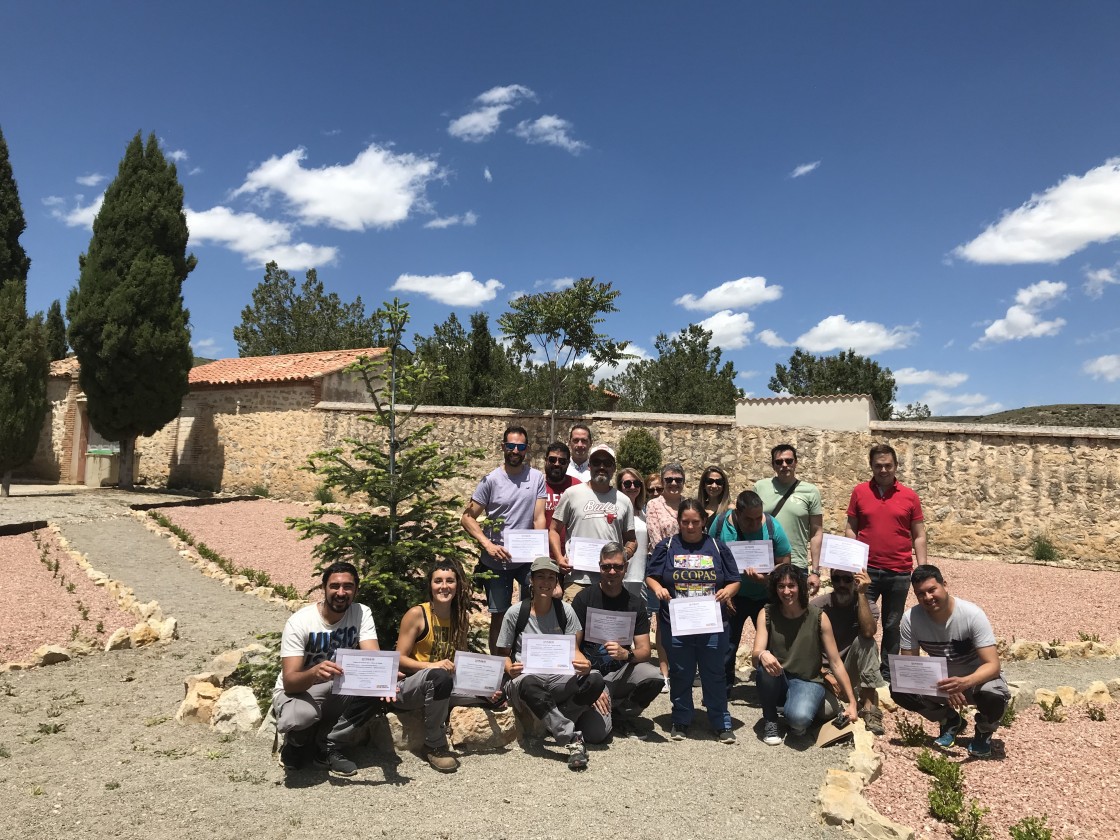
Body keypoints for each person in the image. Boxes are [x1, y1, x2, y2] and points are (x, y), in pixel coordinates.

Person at [272, 562, 385, 776]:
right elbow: (290, 681)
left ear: (356, 589)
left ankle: (328, 747)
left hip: (337, 688)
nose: (341, 593)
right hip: (300, 690)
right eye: (334, 586)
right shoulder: (300, 622)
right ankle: (295, 744)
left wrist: (385, 677)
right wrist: (314, 672)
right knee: (301, 717)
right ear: (323, 588)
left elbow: (373, 657)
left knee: (376, 691)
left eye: (348, 587)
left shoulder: (361, 613)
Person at [495, 556, 603, 771]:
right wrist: (509, 668)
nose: (545, 582)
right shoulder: (516, 613)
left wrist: (585, 664)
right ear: (531, 581)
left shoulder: (565, 611)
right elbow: (503, 654)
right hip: (525, 681)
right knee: (529, 683)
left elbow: (575, 651)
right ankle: (571, 739)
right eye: (540, 577)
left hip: (557, 679)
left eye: (551, 577)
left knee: (594, 679)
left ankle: (555, 718)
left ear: (556, 582)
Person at [646, 499, 740, 743]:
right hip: (677, 623)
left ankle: (721, 721)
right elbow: (652, 576)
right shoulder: (667, 547)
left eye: (695, 522)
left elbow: (734, 579)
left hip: (712, 624)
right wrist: (658, 589)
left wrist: (728, 592)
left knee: (714, 673)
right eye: (685, 522)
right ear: (678, 522)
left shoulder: (717, 547)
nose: (690, 527)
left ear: (703, 522)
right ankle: (681, 719)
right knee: (680, 672)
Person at [890, 565, 1009, 758]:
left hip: (976, 681)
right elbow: (910, 665)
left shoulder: (972, 615)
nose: (928, 597)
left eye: (932, 590)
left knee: (995, 696)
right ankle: (949, 720)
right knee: (900, 688)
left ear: (944, 585)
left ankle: (984, 731)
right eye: (921, 594)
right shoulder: (910, 619)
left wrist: (964, 683)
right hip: (942, 682)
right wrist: (945, 685)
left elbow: (993, 665)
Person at [395, 559, 497, 773]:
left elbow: (460, 661)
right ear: (430, 586)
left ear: (457, 585)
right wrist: (432, 665)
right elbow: (399, 659)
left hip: (445, 684)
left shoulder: (460, 616)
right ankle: (434, 745)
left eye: (450, 581)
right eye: (438, 581)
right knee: (438, 677)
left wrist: (484, 686)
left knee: (497, 691)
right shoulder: (417, 614)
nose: (444, 586)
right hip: (412, 685)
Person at [462, 425, 547, 653]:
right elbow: (468, 518)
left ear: (526, 449)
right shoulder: (490, 480)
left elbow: (539, 518)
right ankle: (498, 668)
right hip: (497, 562)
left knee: (535, 610)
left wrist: (542, 556)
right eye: (511, 446)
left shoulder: (537, 478)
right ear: (503, 447)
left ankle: (528, 659)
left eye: (520, 446)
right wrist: (488, 545)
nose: (515, 451)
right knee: (499, 616)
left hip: (527, 559)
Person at [846, 443, 927, 680]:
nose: (883, 470)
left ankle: (888, 672)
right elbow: (851, 529)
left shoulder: (910, 496)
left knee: (893, 626)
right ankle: (862, 669)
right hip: (866, 570)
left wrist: (922, 570)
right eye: (878, 466)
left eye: (888, 465)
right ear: (871, 466)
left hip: (899, 572)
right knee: (862, 622)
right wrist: (852, 561)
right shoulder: (859, 492)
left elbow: (919, 535)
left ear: (896, 466)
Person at [751, 565, 858, 746]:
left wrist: (853, 703)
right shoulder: (767, 613)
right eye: (781, 586)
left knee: (799, 720)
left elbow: (835, 662)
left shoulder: (818, 617)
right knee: (764, 668)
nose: (786, 591)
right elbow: (755, 657)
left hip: (808, 679)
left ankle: (794, 711)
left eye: (791, 586)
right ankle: (771, 720)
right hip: (779, 676)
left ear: (800, 587)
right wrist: (762, 654)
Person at [572, 543, 663, 742]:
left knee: (653, 677)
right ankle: (592, 708)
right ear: (599, 567)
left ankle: (622, 714)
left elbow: (645, 651)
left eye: (617, 567)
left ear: (626, 568)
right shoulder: (583, 599)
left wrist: (626, 655)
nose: (612, 571)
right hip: (591, 674)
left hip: (621, 671)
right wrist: (589, 678)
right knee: (596, 735)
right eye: (606, 567)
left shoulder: (636, 603)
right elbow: (572, 647)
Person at [709, 491, 792, 692]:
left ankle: (772, 688)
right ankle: (722, 689)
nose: (755, 524)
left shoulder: (773, 527)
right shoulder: (720, 525)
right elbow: (710, 557)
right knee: (727, 644)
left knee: (772, 643)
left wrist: (766, 579)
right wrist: (723, 591)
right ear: (737, 512)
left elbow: (785, 562)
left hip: (764, 596)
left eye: (758, 518)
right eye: (749, 519)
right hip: (732, 596)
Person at [549, 443, 637, 599]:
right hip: (577, 579)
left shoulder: (624, 501)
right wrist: (559, 558)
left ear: (614, 468)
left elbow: (631, 540)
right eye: (596, 462)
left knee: (607, 623)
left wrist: (623, 555)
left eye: (607, 463)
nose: (601, 467)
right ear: (589, 466)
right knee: (575, 623)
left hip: (611, 580)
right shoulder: (572, 494)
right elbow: (554, 530)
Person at [811, 569, 885, 735]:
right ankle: (847, 701)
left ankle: (868, 708)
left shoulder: (867, 605)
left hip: (849, 668)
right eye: (837, 579)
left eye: (847, 579)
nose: (842, 584)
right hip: (823, 671)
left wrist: (861, 594)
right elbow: (807, 647)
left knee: (867, 642)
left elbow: (868, 631)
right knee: (825, 712)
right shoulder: (817, 606)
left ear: (856, 580)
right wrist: (823, 673)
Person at [755, 444, 824, 595]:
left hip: (796, 563)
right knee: (766, 614)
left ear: (796, 462)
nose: (784, 465)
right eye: (779, 462)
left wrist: (815, 571)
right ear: (773, 465)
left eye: (788, 461)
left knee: (796, 614)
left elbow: (816, 532)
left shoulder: (810, 491)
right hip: (767, 563)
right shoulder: (760, 487)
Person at [644, 462, 686, 689]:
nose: (673, 484)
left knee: (685, 618)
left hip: (688, 568)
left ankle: (683, 668)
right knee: (663, 619)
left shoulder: (688, 504)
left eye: (678, 480)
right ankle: (664, 670)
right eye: (668, 479)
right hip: (662, 567)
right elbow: (656, 539)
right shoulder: (654, 505)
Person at [615, 467, 649, 600]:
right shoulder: (615, 512)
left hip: (640, 576)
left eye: (637, 483)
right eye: (627, 484)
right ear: (620, 486)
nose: (633, 487)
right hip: (620, 575)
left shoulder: (644, 514)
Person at [698, 464, 731, 530]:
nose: (714, 486)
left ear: (724, 486)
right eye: (709, 481)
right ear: (703, 485)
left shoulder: (729, 510)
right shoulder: (697, 508)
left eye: (719, 482)